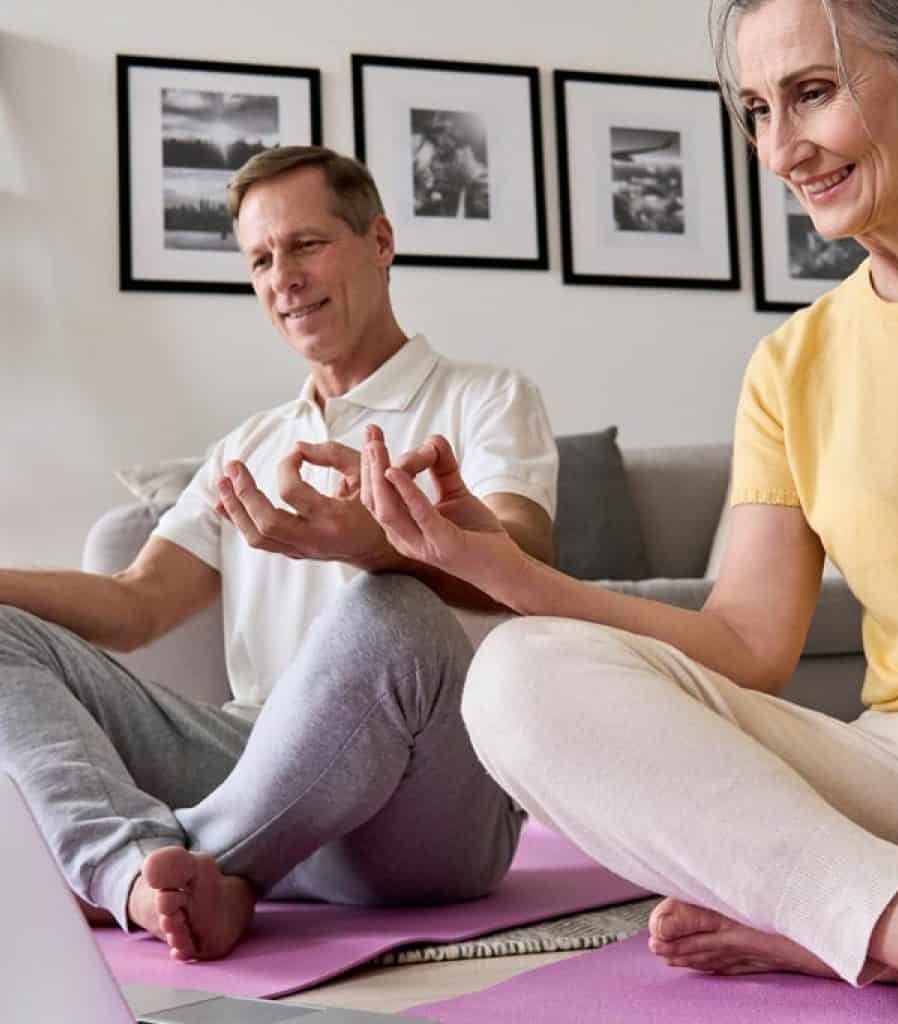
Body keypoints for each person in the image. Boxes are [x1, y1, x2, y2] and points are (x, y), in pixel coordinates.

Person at [353, 2, 898, 1020]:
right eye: (756, 110)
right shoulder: (791, 367)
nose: (780, 148)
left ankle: (851, 917)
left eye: (811, 93)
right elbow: (745, 642)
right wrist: (495, 565)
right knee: (519, 678)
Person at [0, 146, 556, 963]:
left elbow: (526, 560)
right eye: (261, 259)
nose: (282, 277)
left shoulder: (487, 397)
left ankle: (167, 862)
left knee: (390, 606)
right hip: (261, 770)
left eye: (305, 245)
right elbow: (136, 603)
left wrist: (382, 548)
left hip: (429, 806)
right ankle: (133, 875)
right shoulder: (247, 446)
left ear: (380, 241)